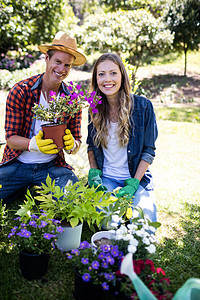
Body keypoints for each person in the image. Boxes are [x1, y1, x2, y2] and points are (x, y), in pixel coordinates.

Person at [0, 31, 86, 204]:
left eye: (67, 65)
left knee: (74, 199)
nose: (62, 69)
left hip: (52, 167)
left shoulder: (72, 99)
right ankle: (20, 188)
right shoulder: (21, 91)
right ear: (47, 58)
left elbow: (76, 139)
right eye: (58, 62)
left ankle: (24, 190)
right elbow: (11, 139)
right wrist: (34, 144)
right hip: (16, 164)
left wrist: (72, 145)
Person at [87, 53, 158, 223]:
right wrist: (94, 172)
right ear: (96, 79)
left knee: (145, 226)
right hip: (107, 179)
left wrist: (134, 183)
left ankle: (132, 205)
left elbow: (149, 150)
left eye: (113, 73)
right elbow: (91, 145)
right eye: (101, 74)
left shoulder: (143, 106)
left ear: (122, 76)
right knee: (107, 223)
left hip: (135, 179)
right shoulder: (93, 107)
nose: (107, 79)